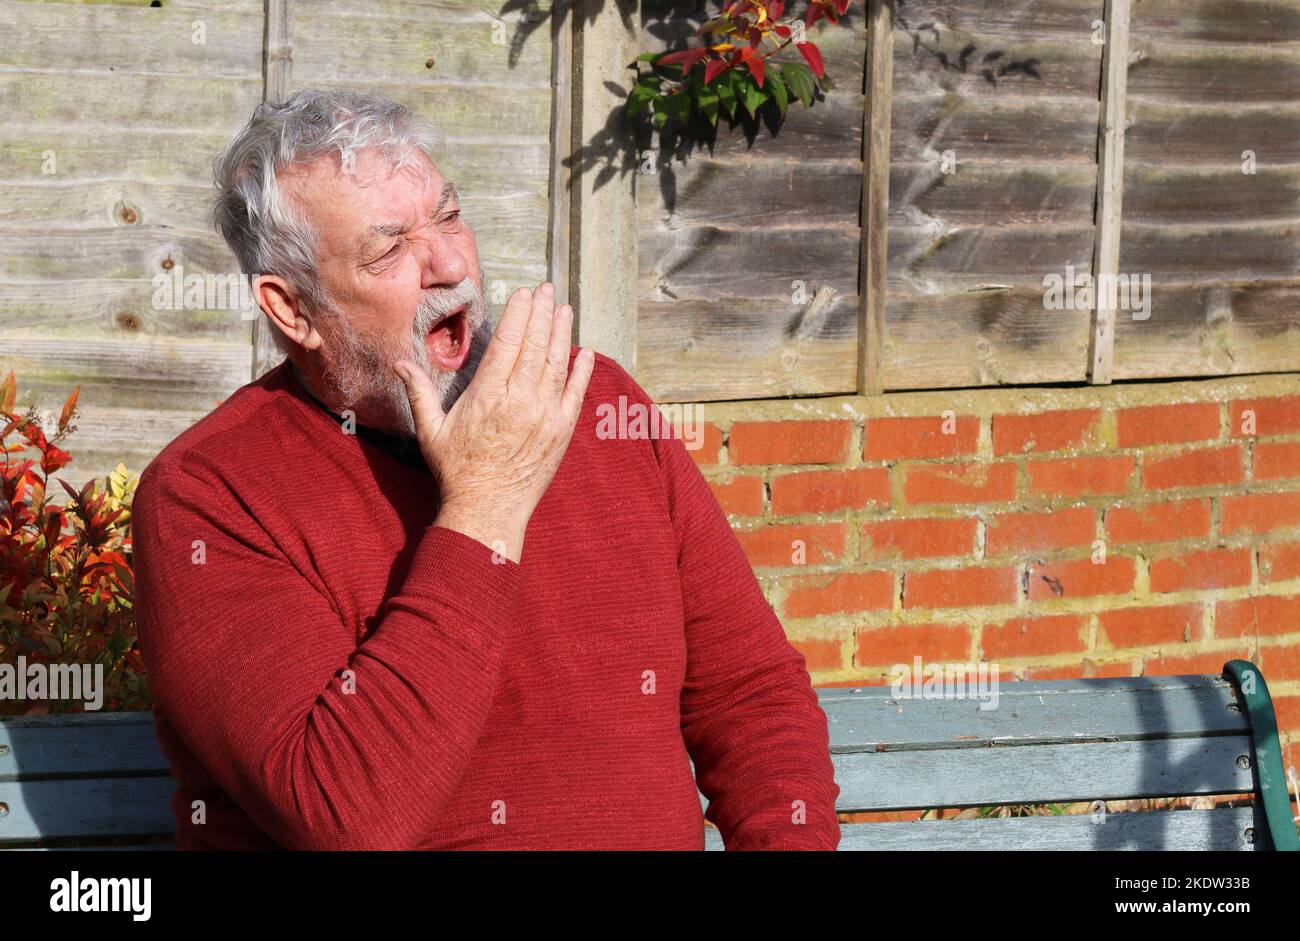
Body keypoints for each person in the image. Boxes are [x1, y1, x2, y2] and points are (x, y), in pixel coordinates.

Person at [132, 88, 840, 850]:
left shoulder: (595, 405)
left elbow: (752, 696)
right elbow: (347, 817)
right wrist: (484, 506)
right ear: (292, 308)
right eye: (389, 247)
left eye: (449, 214)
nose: (449, 262)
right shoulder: (208, 496)